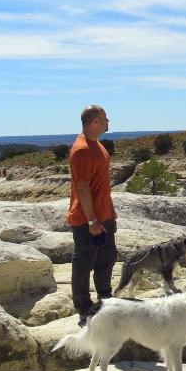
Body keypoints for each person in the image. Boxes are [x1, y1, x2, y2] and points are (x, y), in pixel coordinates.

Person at [67, 105, 117, 326]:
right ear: (95, 122)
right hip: (88, 219)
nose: (109, 121)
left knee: (106, 260)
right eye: (105, 118)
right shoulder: (82, 150)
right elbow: (83, 188)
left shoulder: (96, 145)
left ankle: (105, 300)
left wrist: (107, 215)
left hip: (104, 215)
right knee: (84, 263)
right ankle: (84, 309)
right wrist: (92, 220)